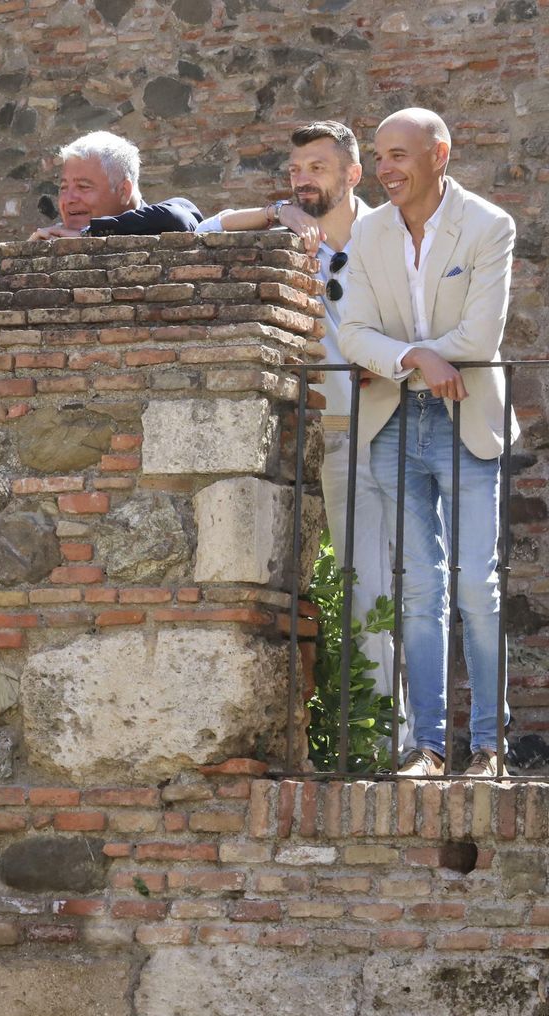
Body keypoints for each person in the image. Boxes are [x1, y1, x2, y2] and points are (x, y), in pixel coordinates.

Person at [195, 121, 406, 752]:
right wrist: (275, 213)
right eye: (295, 170)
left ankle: (434, 740)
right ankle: (381, 746)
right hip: (336, 435)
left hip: (406, 427)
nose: (303, 179)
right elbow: (203, 233)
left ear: (353, 174)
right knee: (362, 585)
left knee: (423, 582)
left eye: (317, 167)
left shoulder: (393, 234)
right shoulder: (291, 239)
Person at [339, 108, 519, 778]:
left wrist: (395, 357)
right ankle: (429, 747)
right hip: (393, 423)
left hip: (466, 416)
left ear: (438, 154)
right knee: (418, 588)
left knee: (477, 584)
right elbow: (352, 332)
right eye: (379, 156)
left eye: (398, 155)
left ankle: (490, 746)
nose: (384, 170)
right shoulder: (368, 233)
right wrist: (415, 356)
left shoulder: (489, 225)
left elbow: (479, 336)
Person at [29, 131, 202, 240]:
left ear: (124, 191)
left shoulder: (172, 215)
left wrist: (89, 233)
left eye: (83, 186)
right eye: (63, 188)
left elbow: (175, 218)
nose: (68, 199)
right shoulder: (54, 238)